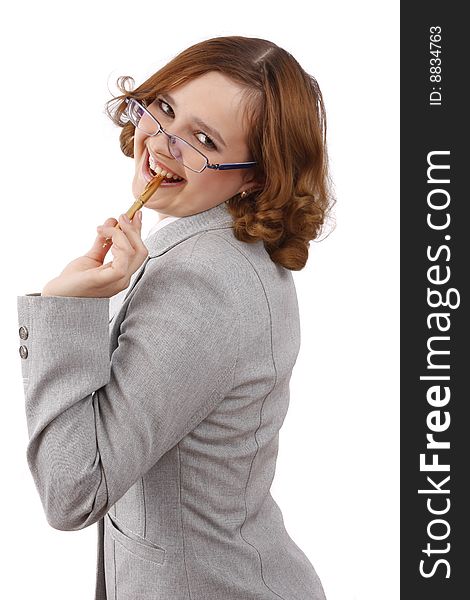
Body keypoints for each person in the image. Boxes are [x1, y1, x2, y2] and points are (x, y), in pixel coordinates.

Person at [16, 35, 334, 600]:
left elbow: (72, 491)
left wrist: (67, 311)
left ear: (256, 177)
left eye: (203, 138)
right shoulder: (214, 244)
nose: (162, 143)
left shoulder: (204, 282)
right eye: (164, 108)